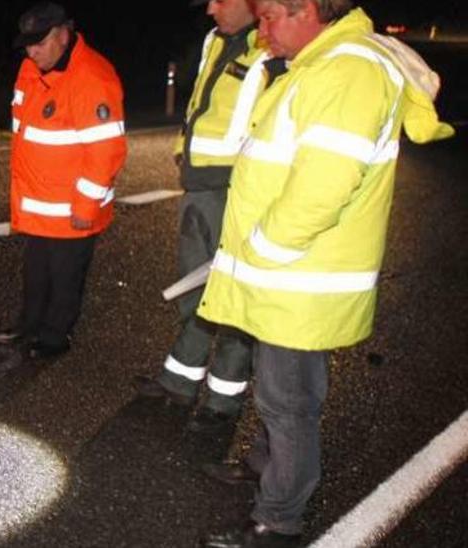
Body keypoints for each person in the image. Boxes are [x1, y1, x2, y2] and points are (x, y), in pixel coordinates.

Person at [196, 1, 453, 545]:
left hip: (300, 274)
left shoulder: (348, 71)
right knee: (275, 391)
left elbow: (324, 186)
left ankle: (278, 519)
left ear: (308, 9)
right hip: (289, 274)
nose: (260, 29)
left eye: (269, 16)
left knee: (289, 403)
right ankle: (265, 469)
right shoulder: (320, 64)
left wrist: (264, 244)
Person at [134, 0, 273, 433]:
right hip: (200, 185)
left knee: (233, 297)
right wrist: (183, 151)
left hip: (239, 190)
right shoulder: (216, 40)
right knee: (195, 289)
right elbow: (201, 104)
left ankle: (222, 403)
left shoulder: (273, 49)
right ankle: (180, 380)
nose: (211, 9)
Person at [0, 2, 127, 359]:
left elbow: (107, 151)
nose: (31, 51)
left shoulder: (92, 77)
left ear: (63, 34)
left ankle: (55, 337)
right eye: (27, 44)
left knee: (65, 277)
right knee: (36, 272)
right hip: (40, 201)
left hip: (72, 207)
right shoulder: (30, 67)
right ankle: (28, 325)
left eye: (39, 43)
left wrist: (86, 205)